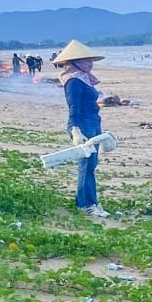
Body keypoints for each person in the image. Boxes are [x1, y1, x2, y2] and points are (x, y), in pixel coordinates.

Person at [53, 39, 108, 217]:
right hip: (82, 123)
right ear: (75, 62)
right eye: (85, 60)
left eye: (90, 60)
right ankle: (86, 205)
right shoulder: (73, 81)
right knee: (87, 164)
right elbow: (73, 106)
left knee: (92, 164)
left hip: (93, 121)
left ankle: (87, 201)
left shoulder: (84, 78)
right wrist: (75, 130)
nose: (89, 63)